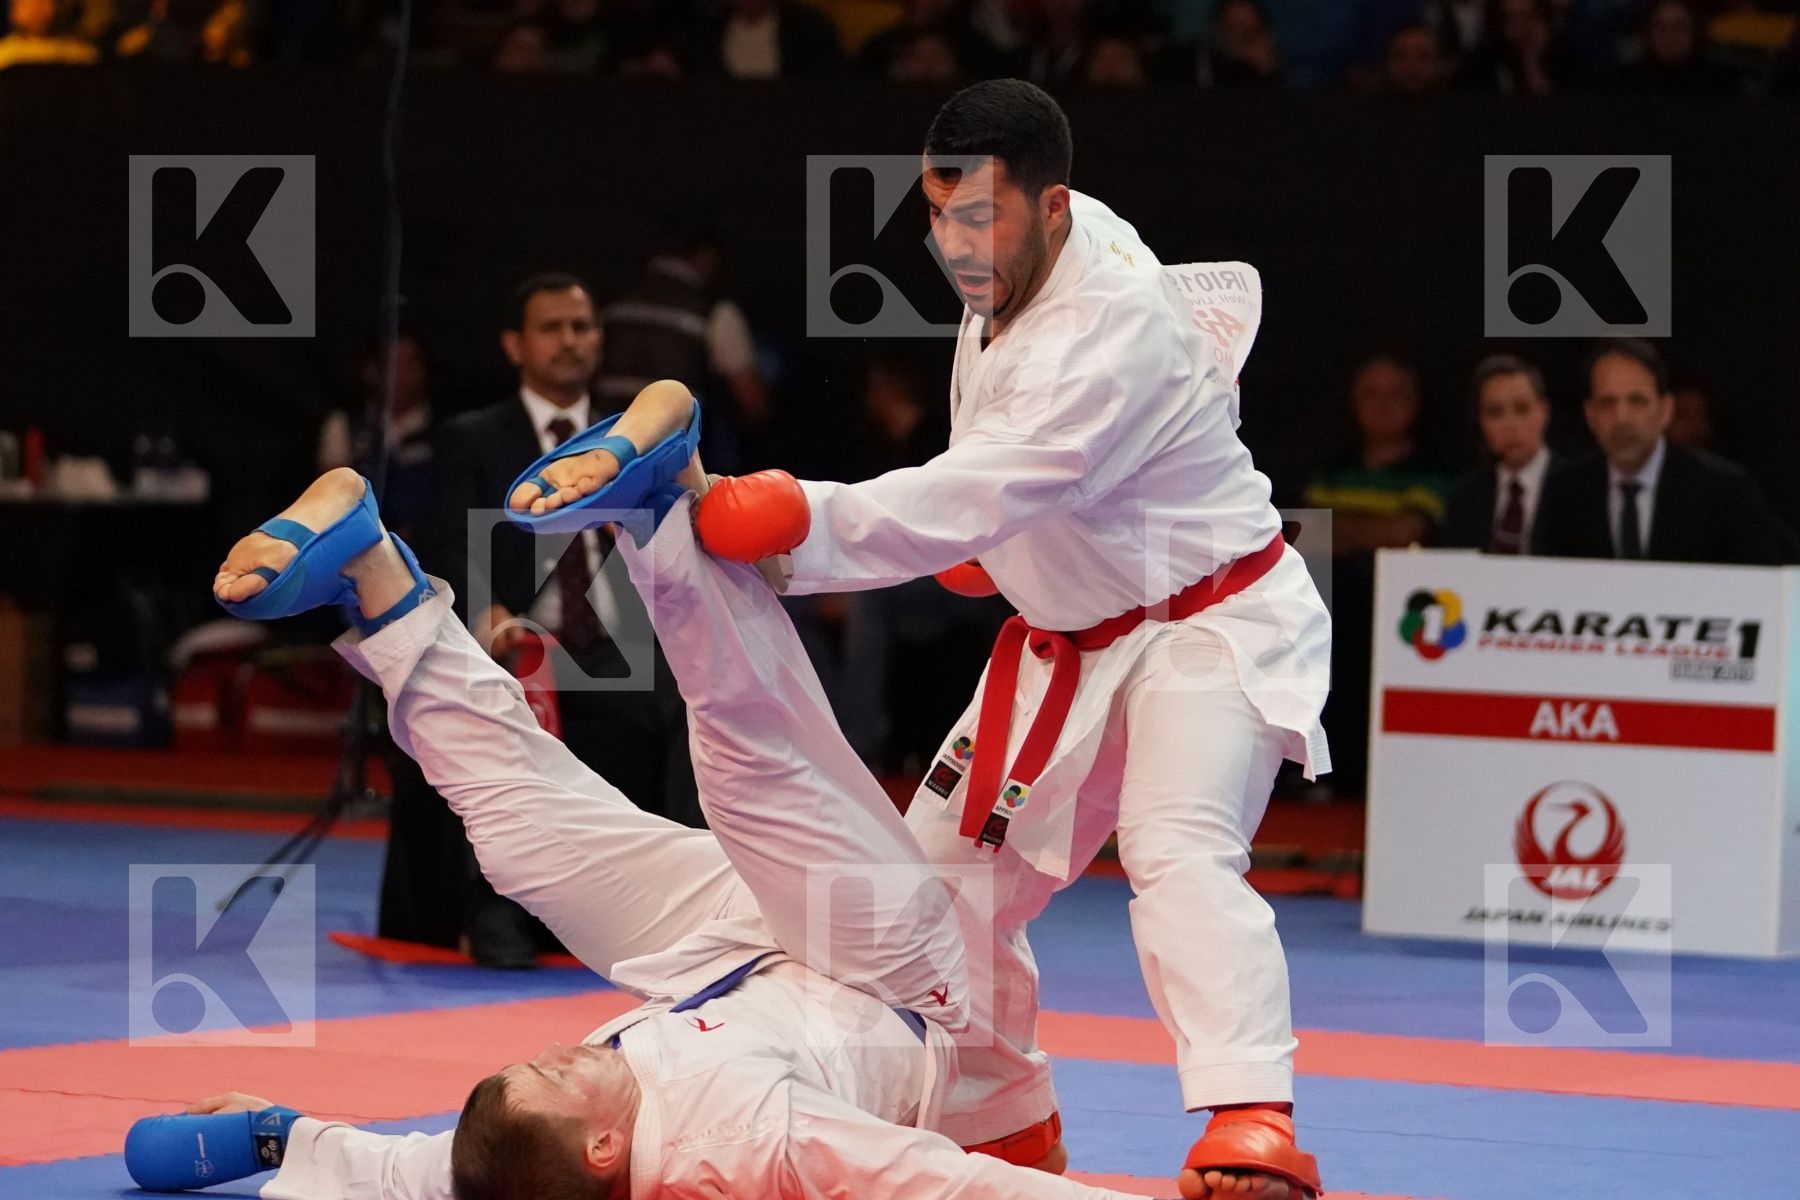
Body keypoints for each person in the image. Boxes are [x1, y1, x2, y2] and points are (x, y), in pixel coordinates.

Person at [516, 78, 1330, 1200]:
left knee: (1177, 846)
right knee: (943, 902)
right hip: (1066, 641)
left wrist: (802, 518)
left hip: (1208, 620)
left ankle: (1253, 1123)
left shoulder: (1114, 332)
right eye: (937, 212)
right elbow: (1007, 456)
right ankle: (1008, 1127)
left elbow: (990, 476)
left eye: (980, 216)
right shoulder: (1026, 259)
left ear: (1055, 205)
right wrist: (1005, 549)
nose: (952, 243)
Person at [169, 387, 1157, 1200]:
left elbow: (396, 1170)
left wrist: (268, 1139)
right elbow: (952, 1189)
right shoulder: (748, 1145)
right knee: (751, 766)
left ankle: (372, 574)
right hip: (887, 973)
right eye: (558, 1073)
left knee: (522, 842)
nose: (557, 1051)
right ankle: (656, 514)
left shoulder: (515, 1157)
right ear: (605, 1149)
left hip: (716, 954)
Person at [419, 273, 698, 967]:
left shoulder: (628, 433)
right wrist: (490, 620)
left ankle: (692, 902)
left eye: (582, 326)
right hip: (521, 639)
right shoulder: (473, 438)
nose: (571, 341)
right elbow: (452, 543)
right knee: (495, 699)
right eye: (552, 328)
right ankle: (496, 912)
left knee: (698, 692)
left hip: (620, 642)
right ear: (515, 345)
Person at [1534, 338, 1797, 564]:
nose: (1622, 417)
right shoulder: (1564, 491)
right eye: (1607, 403)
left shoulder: (1722, 489)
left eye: (1637, 401)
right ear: (1589, 415)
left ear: (1665, 409)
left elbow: (1768, 579)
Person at [1442, 353, 1559, 554]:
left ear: (1544, 412)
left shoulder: (1576, 487)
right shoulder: (1465, 497)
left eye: (1522, 409)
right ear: (1480, 421)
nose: (1510, 425)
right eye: (1495, 412)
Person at [0, 0, 98, 69]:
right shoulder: (5, 54)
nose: (37, 10)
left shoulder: (79, 53)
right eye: (28, 4)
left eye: (43, 2)